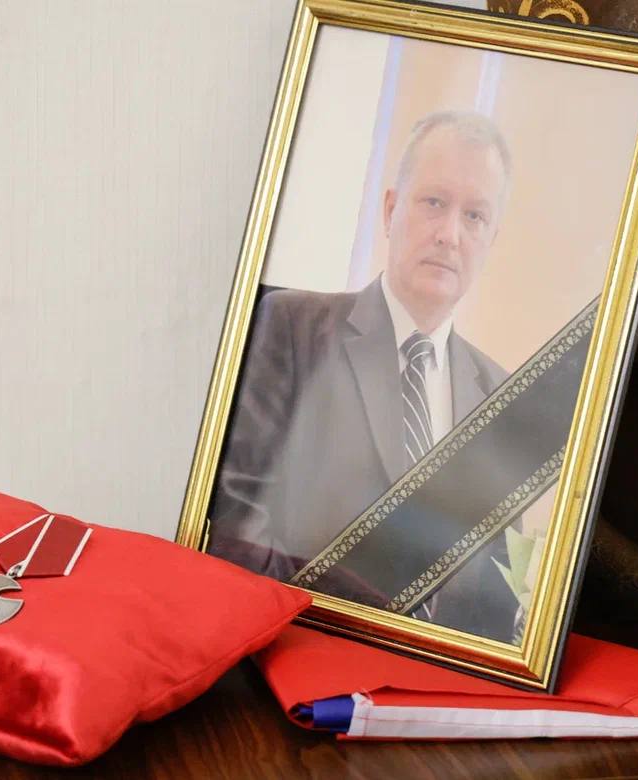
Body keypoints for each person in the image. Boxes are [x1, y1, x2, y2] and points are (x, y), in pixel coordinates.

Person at [208, 111, 521, 642]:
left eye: (474, 216)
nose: (450, 235)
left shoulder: (502, 396)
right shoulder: (291, 328)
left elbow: (495, 591)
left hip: (431, 679)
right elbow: (236, 532)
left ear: (491, 237)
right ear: (391, 209)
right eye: (434, 202)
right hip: (294, 648)